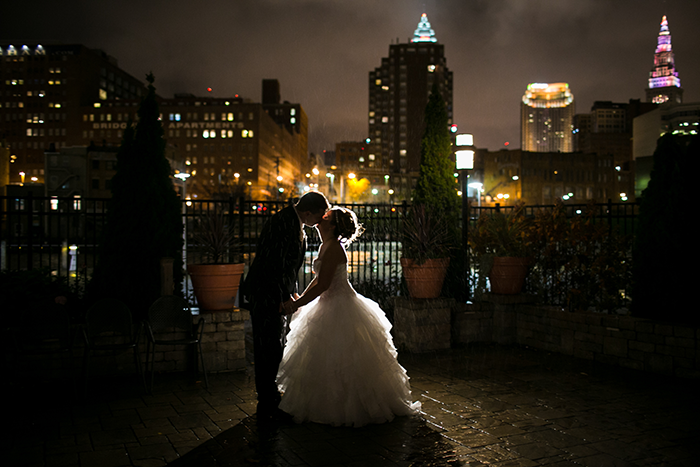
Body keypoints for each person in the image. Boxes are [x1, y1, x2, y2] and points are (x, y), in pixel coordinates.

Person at [276, 207, 421, 427]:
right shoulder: (326, 246)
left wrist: (297, 304)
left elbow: (324, 284)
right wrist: (302, 299)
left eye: (325, 218)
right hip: (328, 303)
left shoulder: (334, 248)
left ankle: (347, 409)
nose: (319, 220)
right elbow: (318, 280)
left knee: (344, 359)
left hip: (340, 305)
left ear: (333, 226)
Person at [240, 191, 330, 420]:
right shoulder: (282, 223)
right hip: (266, 293)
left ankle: (270, 395)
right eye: (318, 218)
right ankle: (267, 398)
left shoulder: (295, 224)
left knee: (273, 343)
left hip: (276, 293)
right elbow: (273, 264)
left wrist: (291, 293)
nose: (318, 223)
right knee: (265, 344)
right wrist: (283, 297)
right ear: (308, 212)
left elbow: (288, 267)